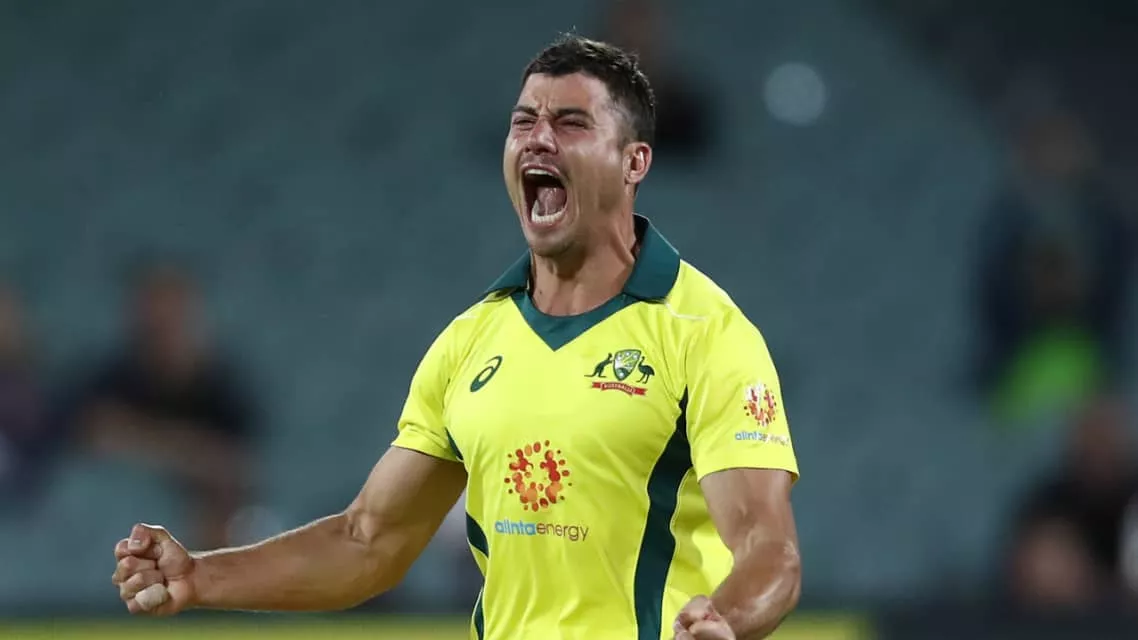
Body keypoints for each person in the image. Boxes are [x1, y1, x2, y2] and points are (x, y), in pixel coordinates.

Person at [111, 36, 801, 640]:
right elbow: (368, 541)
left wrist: (723, 621)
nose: (538, 139)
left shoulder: (706, 335)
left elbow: (769, 550)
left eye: (570, 122)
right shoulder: (471, 341)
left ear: (634, 162)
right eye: (523, 121)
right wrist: (200, 576)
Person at [78, 264, 256, 548]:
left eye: (173, 320)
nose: (162, 330)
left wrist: (145, 440)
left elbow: (236, 468)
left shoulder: (226, 387)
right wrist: (194, 452)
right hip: (119, 521)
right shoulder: (107, 380)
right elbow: (95, 436)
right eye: (153, 325)